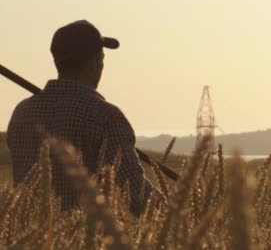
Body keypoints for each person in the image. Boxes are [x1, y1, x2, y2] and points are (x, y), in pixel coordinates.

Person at [7, 20, 158, 215]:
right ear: (95, 62)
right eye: (102, 58)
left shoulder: (22, 113)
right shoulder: (105, 116)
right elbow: (137, 197)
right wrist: (183, 221)